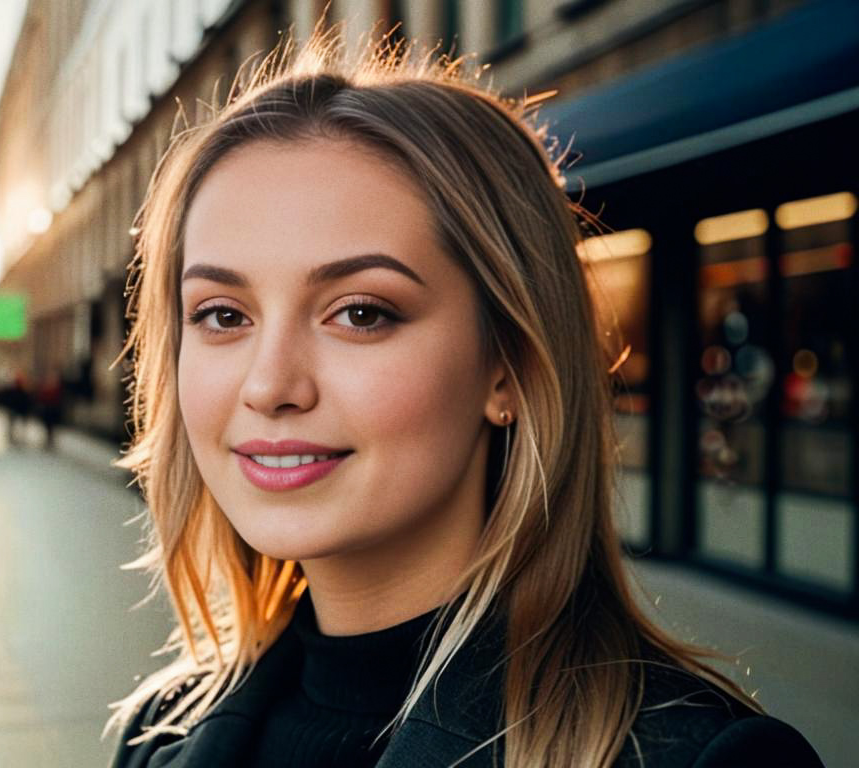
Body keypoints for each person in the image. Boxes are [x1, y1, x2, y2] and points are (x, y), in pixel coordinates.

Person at [103, 25, 825, 768]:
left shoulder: (702, 759)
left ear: (507, 365)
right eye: (223, 316)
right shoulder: (157, 735)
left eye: (360, 312)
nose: (269, 386)